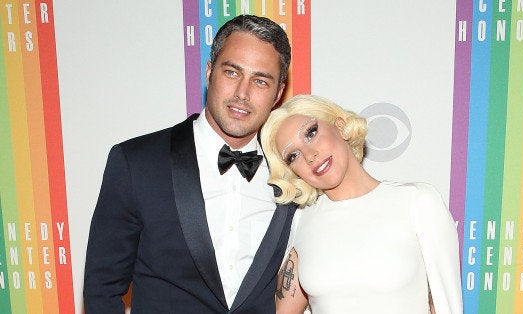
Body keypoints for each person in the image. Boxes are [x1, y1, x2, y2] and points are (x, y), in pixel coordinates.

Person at [83, 15, 297, 313]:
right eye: (232, 72)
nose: (242, 94)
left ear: (278, 94)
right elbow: (101, 289)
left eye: (260, 81)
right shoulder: (137, 163)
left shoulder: (292, 175)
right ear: (210, 73)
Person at [260, 95, 463, 313]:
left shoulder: (417, 202)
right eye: (293, 156)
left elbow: (445, 304)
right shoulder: (301, 221)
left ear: (340, 126)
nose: (310, 156)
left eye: (311, 133)